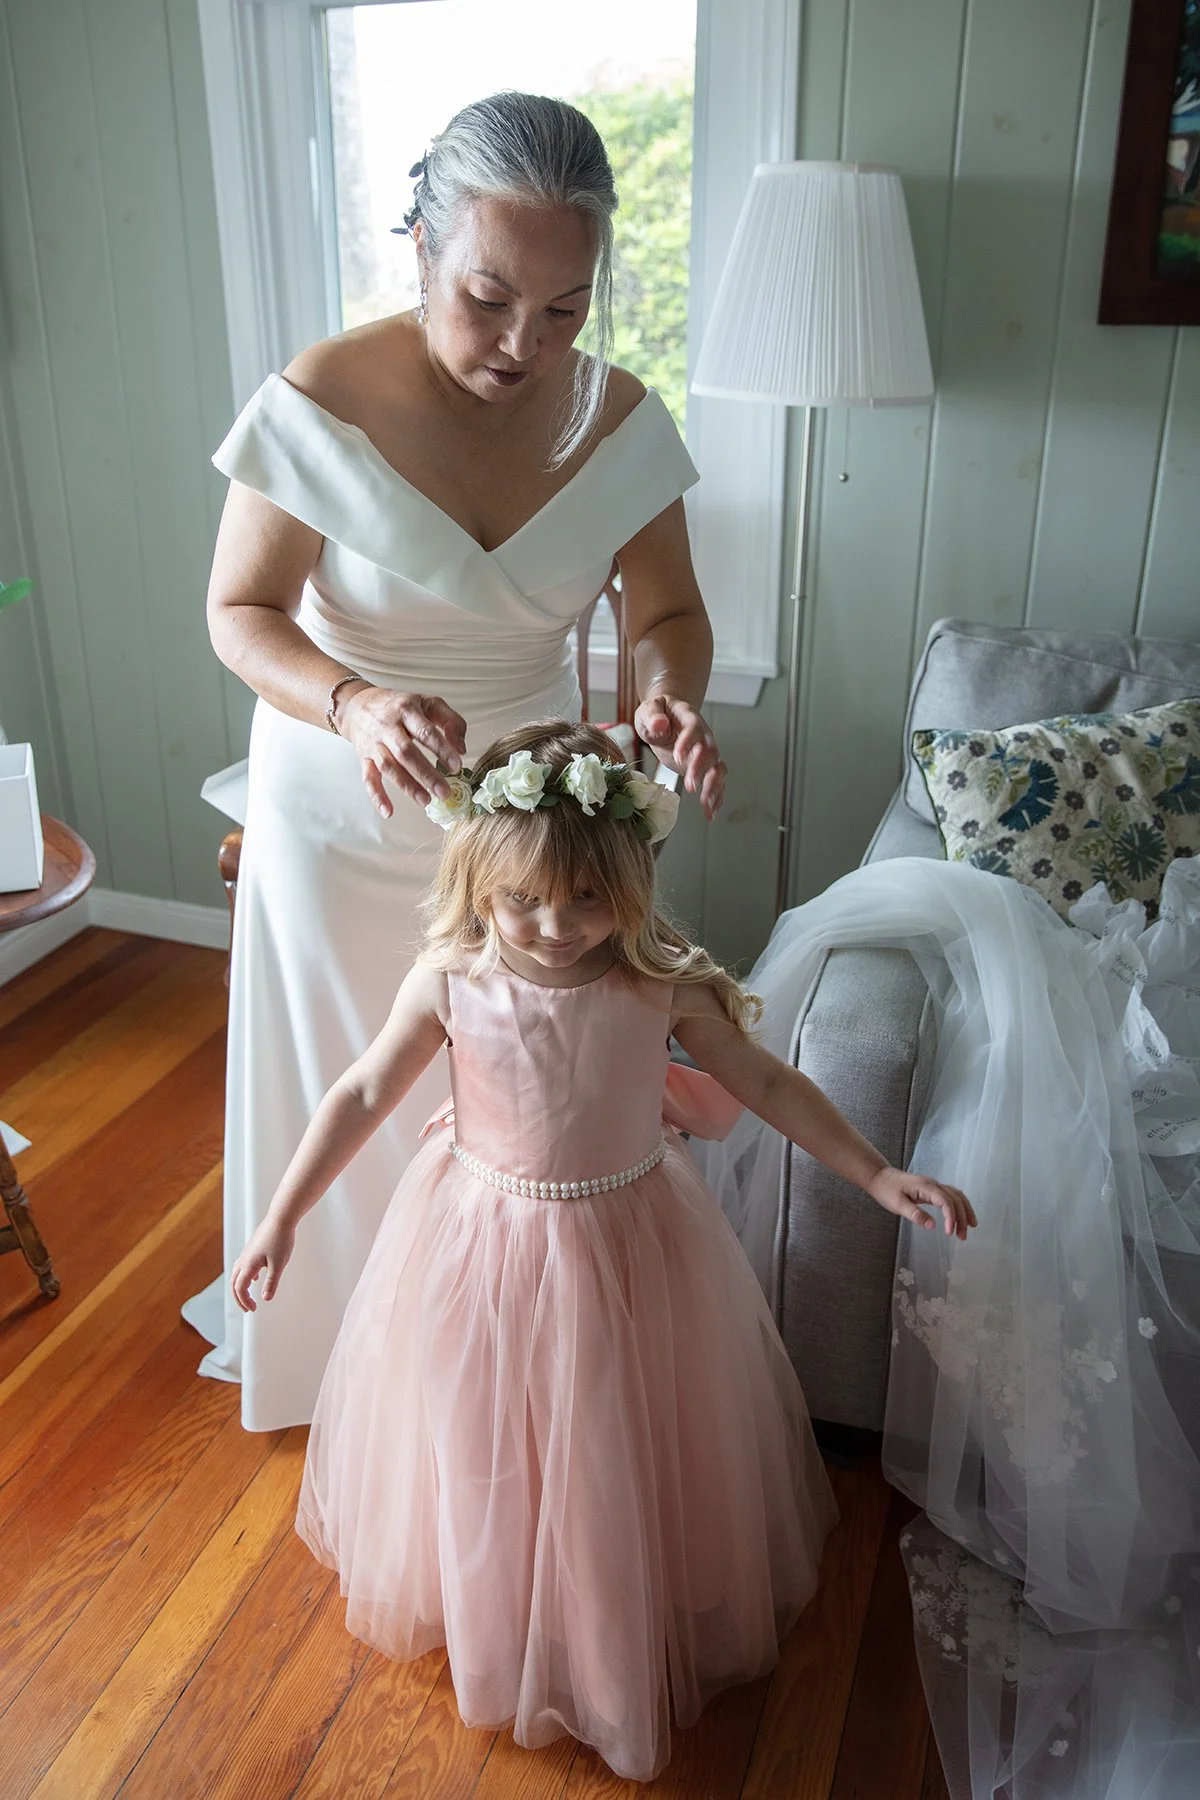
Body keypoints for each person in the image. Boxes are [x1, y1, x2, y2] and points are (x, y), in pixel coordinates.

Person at [229, 720, 976, 1782]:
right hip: (479, 1243)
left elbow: (766, 1084)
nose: (555, 926)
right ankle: (501, 1606)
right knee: (489, 1430)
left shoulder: (661, 984)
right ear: (475, 879)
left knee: (613, 1433)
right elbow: (358, 1093)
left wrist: (873, 1173)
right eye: (523, 898)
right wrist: (282, 1216)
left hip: (627, 1242)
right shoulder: (452, 980)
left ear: (632, 883)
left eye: (588, 898)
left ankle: (609, 1628)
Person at [185, 92, 727, 1430]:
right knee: (358, 1085)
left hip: (537, 824)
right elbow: (240, 614)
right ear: (420, 249)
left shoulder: (620, 422)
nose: (523, 344)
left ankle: (501, 1379)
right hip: (346, 798)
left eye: (565, 309)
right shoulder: (318, 398)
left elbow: (664, 614)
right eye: (487, 296)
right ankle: (352, 1383)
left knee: (520, 1109)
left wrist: (665, 701)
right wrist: (356, 700)